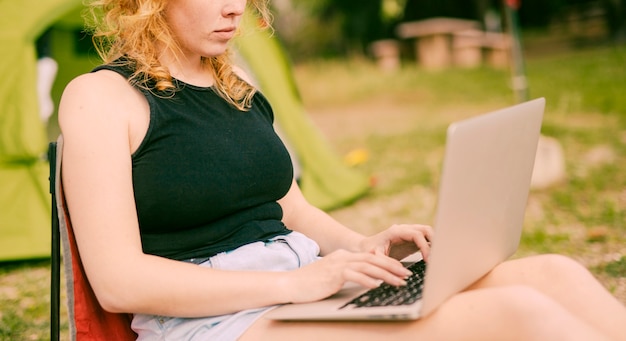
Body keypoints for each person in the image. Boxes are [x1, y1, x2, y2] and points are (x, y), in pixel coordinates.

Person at [58, 0, 626, 340]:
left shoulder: (237, 89)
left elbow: (291, 207)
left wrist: (365, 247)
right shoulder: (100, 98)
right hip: (218, 324)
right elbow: (118, 283)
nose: (235, 7)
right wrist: (296, 283)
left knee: (556, 273)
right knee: (515, 313)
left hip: (301, 292)